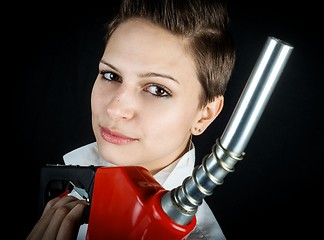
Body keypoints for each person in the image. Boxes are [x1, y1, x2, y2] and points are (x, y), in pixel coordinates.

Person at [27, 0, 236, 239]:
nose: (116, 109)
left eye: (157, 89)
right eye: (111, 75)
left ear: (205, 114)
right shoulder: (68, 195)